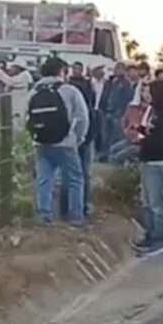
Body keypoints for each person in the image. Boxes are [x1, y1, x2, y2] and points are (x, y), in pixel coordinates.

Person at [27, 57, 90, 226]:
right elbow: (82, 118)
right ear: (61, 71)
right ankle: (75, 217)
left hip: (41, 142)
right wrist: (78, 138)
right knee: (75, 179)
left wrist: (34, 136)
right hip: (66, 142)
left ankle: (44, 215)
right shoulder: (70, 91)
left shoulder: (34, 92)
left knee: (44, 179)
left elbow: (25, 117)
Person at [131, 79, 163, 257]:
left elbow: (161, 139)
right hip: (147, 160)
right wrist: (140, 130)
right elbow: (150, 131)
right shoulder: (154, 111)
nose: (145, 94)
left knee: (158, 203)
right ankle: (150, 235)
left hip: (159, 161)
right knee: (148, 202)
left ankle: (160, 240)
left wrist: (143, 141)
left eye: (149, 91)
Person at [64, 61, 99, 220]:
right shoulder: (86, 87)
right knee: (82, 174)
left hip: (72, 138)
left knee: (70, 174)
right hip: (83, 137)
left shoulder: (69, 88)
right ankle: (81, 208)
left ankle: (67, 208)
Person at [98, 63, 134, 161]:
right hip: (106, 111)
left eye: (120, 69)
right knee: (105, 136)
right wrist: (102, 107)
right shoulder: (109, 82)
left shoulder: (126, 84)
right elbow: (104, 95)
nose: (118, 71)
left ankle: (115, 157)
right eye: (116, 69)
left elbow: (128, 98)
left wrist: (121, 111)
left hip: (118, 113)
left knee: (117, 136)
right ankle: (105, 155)